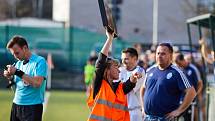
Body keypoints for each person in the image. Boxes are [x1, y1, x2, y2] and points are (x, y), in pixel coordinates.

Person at [87, 30, 142, 121]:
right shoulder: (99, 84)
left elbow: (129, 84)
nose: (119, 71)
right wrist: (109, 39)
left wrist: (134, 77)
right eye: (116, 67)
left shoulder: (118, 87)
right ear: (107, 69)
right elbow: (100, 62)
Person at [140, 43, 196, 121]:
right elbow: (143, 89)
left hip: (165, 118)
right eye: (158, 53)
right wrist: (143, 107)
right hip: (148, 117)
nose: (159, 56)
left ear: (170, 55)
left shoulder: (177, 72)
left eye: (163, 54)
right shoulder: (150, 70)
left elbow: (192, 92)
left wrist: (178, 111)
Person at [3, 35, 48, 121]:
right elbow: (16, 89)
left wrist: (17, 72)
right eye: (13, 54)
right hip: (16, 106)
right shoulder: (18, 64)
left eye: (17, 53)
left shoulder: (39, 61)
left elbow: (37, 83)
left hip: (32, 108)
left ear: (25, 48)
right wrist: (10, 78)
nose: (15, 56)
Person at [119, 47, 145, 121]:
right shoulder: (120, 70)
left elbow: (127, 88)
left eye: (126, 59)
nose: (123, 61)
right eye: (122, 59)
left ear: (135, 58)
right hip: (120, 111)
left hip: (134, 112)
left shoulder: (140, 71)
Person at [175, 53, 203, 121]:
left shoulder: (193, 69)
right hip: (180, 100)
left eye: (179, 63)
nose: (178, 65)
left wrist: (195, 94)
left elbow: (200, 84)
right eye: (177, 64)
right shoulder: (179, 69)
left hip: (191, 100)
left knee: (192, 117)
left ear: (183, 60)